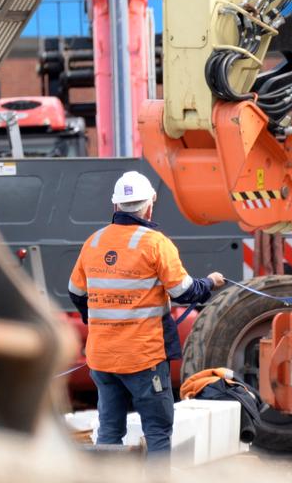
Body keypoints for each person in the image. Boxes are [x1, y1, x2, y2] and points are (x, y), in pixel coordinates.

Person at [68, 171, 226, 457]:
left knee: (109, 432)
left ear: (115, 206)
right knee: (157, 432)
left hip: (102, 358)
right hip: (144, 359)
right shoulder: (155, 243)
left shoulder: (93, 242)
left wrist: (98, 321)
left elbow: (76, 294)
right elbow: (184, 292)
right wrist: (210, 283)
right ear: (150, 204)